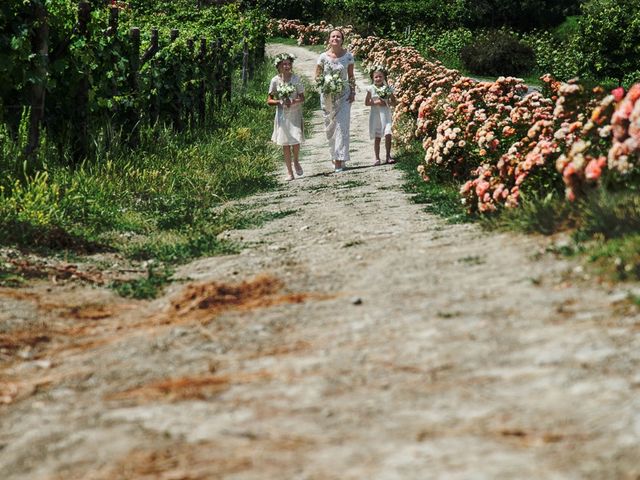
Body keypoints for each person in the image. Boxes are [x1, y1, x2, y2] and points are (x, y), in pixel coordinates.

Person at [315, 29, 356, 173]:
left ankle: (339, 160)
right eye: (333, 36)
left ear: (342, 40)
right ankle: (334, 155)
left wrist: (353, 92)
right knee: (330, 127)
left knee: (341, 127)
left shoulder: (348, 56)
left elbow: (351, 76)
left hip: (343, 94)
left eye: (338, 36)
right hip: (327, 96)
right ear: (329, 39)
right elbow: (318, 76)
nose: (335, 38)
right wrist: (325, 83)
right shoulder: (323, 57)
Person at [267, 52, 305, 181]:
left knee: (296, 139)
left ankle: (296, 161)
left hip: (294, 113)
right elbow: (269, 100)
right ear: (279, 66)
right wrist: (279, 102)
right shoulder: (275, 80)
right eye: (284, 64)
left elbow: (302, 97)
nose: (287, 66)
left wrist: (295, 101)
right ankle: (289, 172)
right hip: (282, 114)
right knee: (285, 143)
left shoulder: (296, 79)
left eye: (289, 64)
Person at [364, 65, 397, 165]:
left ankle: (388, 156)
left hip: (385, 114)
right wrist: (376, 102)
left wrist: (387, 103)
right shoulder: (371, 89)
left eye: (380, 77)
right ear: (373, 78)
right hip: (376, 115)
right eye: (376, 77)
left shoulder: (387, 89)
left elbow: (394, 102)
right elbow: (366, 103)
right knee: (377, 136)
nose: (378, 79)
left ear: (384, 78)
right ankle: (377, 158)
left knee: (388, 133)